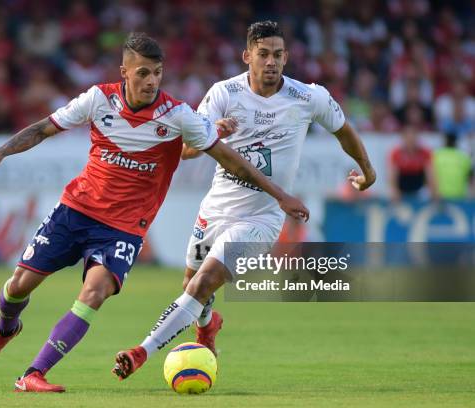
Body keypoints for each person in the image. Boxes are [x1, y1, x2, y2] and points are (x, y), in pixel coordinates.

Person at [0, 32, 308, 393]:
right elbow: (42, 129)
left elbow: (230, 160)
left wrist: (280, 195)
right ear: (124, 73)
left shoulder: (178, 115)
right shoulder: (98, 99)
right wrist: (2, 151)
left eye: (157, 73)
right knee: (19, 286)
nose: (151, 81)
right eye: (143, 73)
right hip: (75, 210)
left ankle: (33, 373)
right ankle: (5, 328)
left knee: (94, 294)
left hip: (123, 229)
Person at [112, 21, 376, 380]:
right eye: (264, 54)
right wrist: (212, 131)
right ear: (247, 56)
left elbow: (344, 131)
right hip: (217, 208)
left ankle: (141, 351)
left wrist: (367, 170)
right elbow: (187, 150)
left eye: (278, 55)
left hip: (261, 219)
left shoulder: (308, 97)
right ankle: (208, 326)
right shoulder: (223, 93)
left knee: (202, 284)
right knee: (191, 285)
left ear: (287, 57)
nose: (272, 62)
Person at [387, 125, 438, 202]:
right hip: (402, 189)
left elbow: (430, 174)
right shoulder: (396, 153)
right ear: (403, 138)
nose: (411, 140)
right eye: (408, 138)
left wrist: (434, 192)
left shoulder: (425, 153)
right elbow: (393, 175)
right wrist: (395, 191)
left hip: (420, 189)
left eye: (413, 137)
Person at [432, 132, 472, 199]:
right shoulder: (464, 158)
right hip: (459, 196)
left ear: (444, 142)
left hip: (439, 196)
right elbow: (470, 179)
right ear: (456, 143)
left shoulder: (436, 156)